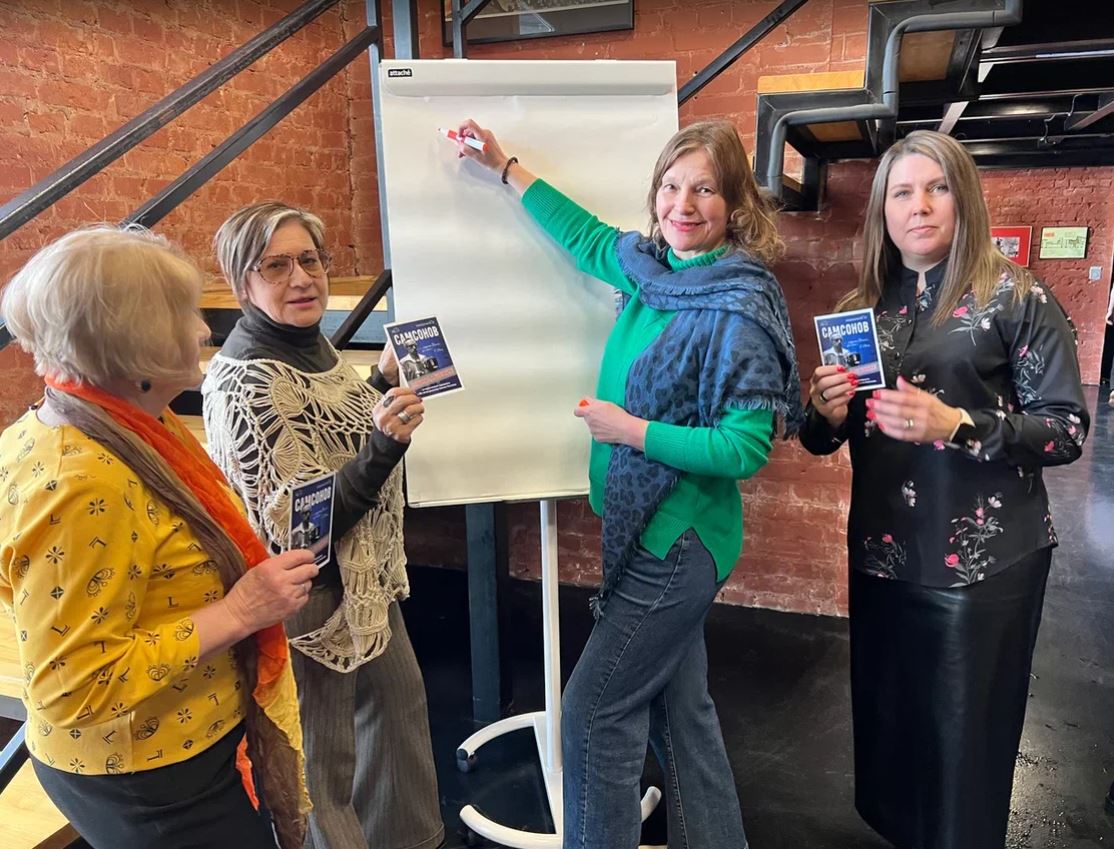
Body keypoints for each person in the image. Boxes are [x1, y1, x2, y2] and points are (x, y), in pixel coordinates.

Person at [452, 119, 804, 849]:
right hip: (655, 531)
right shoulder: (651, 272)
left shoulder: (736, 305)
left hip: (677, 540)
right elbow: (584, 237)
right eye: (671, 186)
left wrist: (632, 430)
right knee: (682, 715)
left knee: (593, 715)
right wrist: (505, 166)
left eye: (705, 189)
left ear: (735, 204)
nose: (683, 204)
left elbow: (746, 446)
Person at [800, 130, 1088, 849]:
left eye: (937, 189)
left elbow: (1066, 430)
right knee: (894, 732)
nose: (919, 206)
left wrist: (958, 424)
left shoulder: (1015, 296)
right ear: (883, 210)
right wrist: (824, 412)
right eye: (902, 192)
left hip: (982, 565)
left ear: (964, 200)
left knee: (965, 746)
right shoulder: (864, 307)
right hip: (883, 556)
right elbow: (823, 438)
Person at [0, 226, 316, 849]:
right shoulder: (81, 480)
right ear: (135, 340)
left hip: (179, 743)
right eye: (185, 315)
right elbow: (72, 686)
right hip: (149, 776)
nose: (202, 331)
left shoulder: (121, 421)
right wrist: (240, 611)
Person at [202, 202, 443, 849]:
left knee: (398, 722)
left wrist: (380, 381)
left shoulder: (312, 346)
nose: (302, 278)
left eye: (309, 259)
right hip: (307, 597)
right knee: (322, 769)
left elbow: (328, 433)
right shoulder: (245, 383)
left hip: (366, 581)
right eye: (276, 266)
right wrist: (384, 446)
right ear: (242, 282)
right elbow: (299, 527)